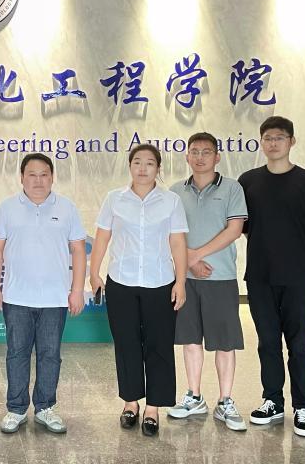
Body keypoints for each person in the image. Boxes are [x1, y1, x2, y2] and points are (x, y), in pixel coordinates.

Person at [238, 116, 305, 437]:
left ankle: (303, 407)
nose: (273, 143)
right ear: (261, 143)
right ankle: (273, 401)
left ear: (292, 141)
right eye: (267, 138)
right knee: (267, 342)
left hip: (297, 279)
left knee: (298, 343)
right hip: (260, 276)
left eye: (279, 137)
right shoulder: (248, 181)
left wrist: (297, 261)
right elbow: (244, 227)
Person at [88, 143, 188, 437]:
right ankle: (130, 403)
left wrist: (181, 281)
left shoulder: (171, 201)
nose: (143, 168)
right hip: (122, 282)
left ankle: (153, 408)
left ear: (158, 168)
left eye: (149, 163)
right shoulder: (114, 199)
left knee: (159, 345)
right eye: (137, 162)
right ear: (130, 166)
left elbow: (177, 242)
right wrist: (94, 273)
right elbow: (102, 237)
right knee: (126, 343)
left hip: (160, 282)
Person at [0, 153, 87, 435]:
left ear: (52, 177)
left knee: (50, 354)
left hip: (54, 298)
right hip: (16, 297)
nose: (38, 180)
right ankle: (16, 408)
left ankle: (45, 407)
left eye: (44, 174)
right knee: (17, 353)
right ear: (21, 177)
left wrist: (77, 290)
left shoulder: (67, 208)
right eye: (31, 175)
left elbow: (78, 250)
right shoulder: (7, 208)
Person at [166, 133, 248, 431]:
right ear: (187, 156)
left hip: (220, 277)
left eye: (206, 152)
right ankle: (194, 396)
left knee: (225, 343)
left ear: (217, 157)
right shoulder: (175, 192)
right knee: (190, 340)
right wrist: (189, 262)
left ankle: (225, 400)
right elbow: (170, 234)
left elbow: (235, 229)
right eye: (195, 151)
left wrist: (196, 255)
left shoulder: (232, 188)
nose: (200, 157)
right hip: (184, 279)